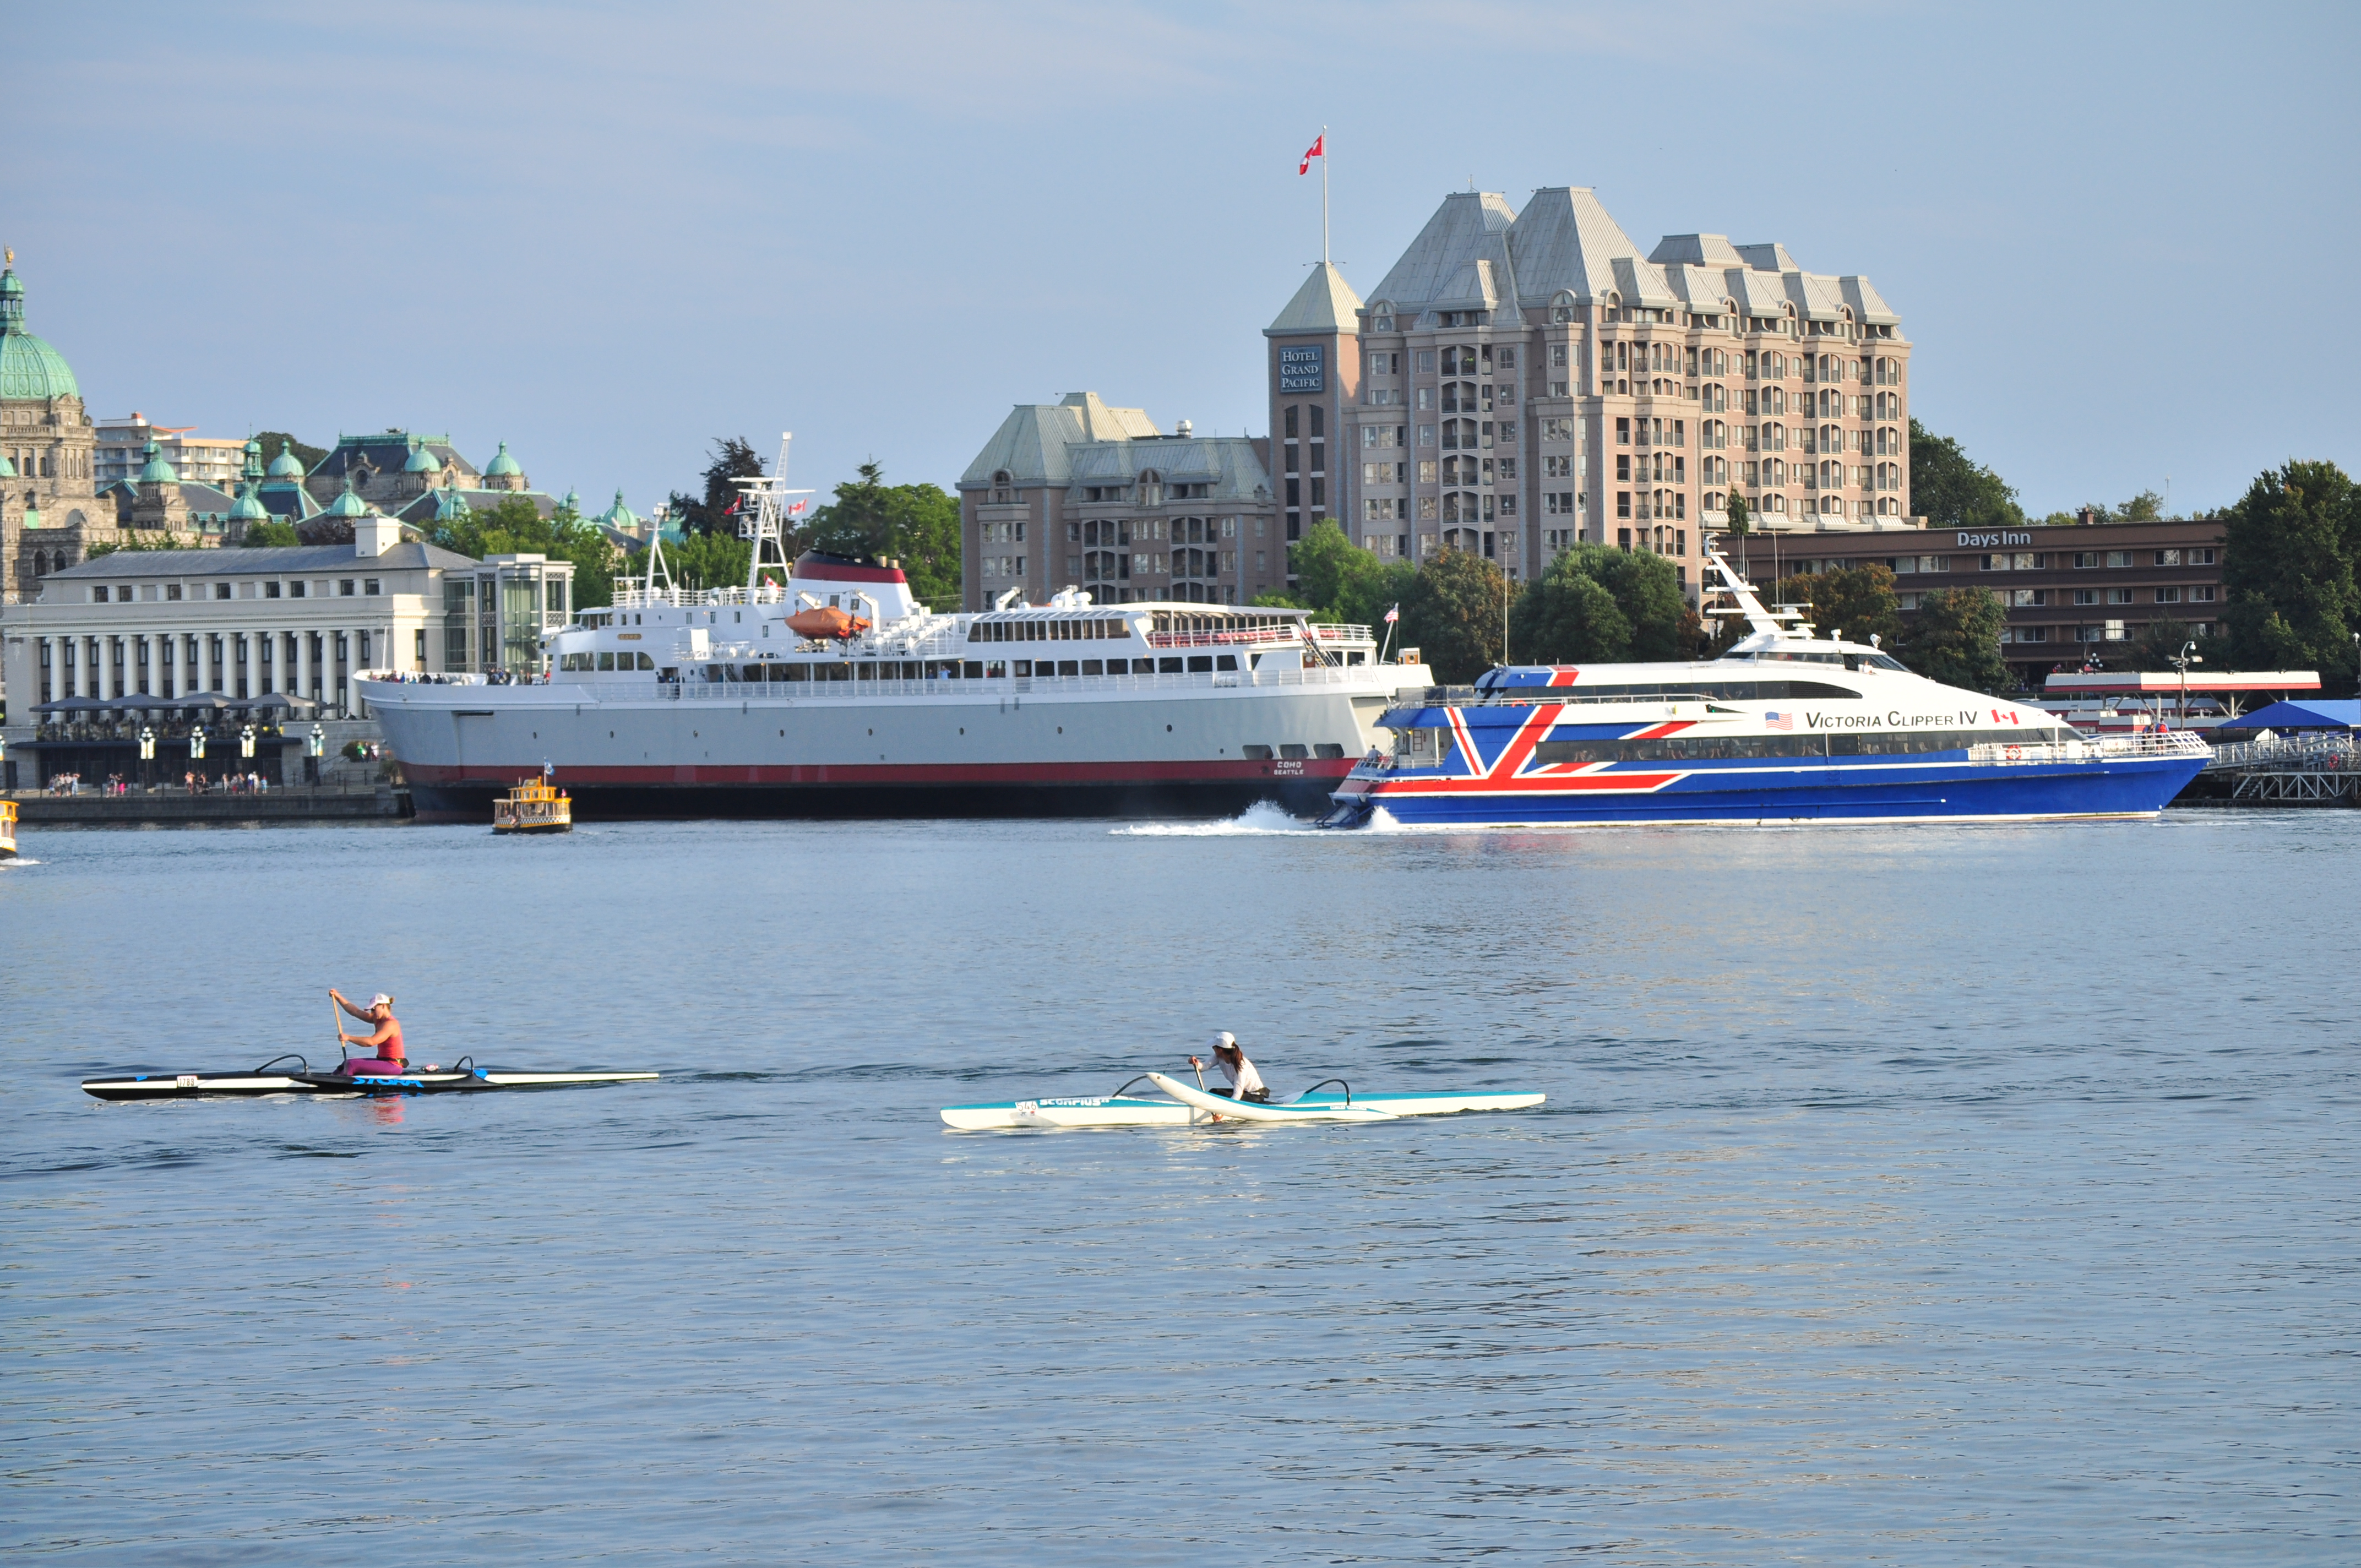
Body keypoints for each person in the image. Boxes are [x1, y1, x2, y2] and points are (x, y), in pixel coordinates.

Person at [331, 989, 409, 1075]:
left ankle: (340, 1085)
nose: (372, 1012)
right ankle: (330, 1079)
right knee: (346, 1063)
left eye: (373, 1009)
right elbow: (355, 1012)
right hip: (383, 1062)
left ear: (383, 1006)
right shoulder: (378, 1019)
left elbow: (371, 1042)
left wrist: (349, 1038)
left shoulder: (391, 1024)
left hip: (393, 1066)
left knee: (353, 1065)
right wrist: (338, 997)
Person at [1188, 1032, 1269, 1102]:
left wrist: (1222, 1113)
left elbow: (1237, 1095)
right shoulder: (1219, 1057)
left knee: (1218, 1094)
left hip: (1256, 1096)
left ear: (1220, 1050)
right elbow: (1203, 1067)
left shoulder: (1241, 1065)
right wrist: (1195, 1063)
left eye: (1213, 1047)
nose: (1213, 1049)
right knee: (1214, 1092)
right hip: (1244, 1093)